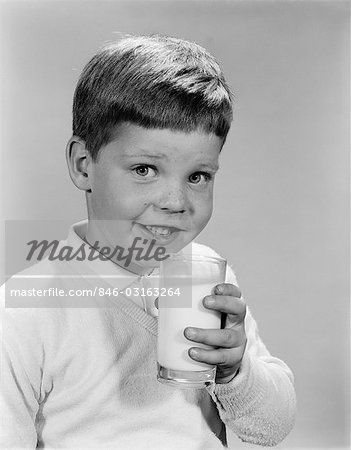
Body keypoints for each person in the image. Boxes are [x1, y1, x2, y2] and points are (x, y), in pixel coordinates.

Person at [0, 34, 296, 449]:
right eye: (144, 169)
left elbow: (270, 428)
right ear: (84, 165)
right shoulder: (26, 311)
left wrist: (235, 371)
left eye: (198, 176)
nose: (175, 202)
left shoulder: (207, 277)